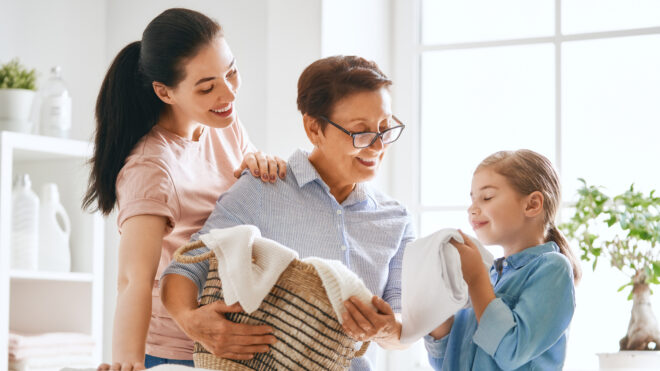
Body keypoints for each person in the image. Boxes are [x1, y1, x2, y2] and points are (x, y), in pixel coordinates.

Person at [160, 55, 415, 371]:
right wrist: (191, 320)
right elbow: (185, 267)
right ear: (314, 128)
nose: (377, 146)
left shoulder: (396, 220)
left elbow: (404, 325)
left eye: (385, 128)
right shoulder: (263, 188)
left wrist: (389, 329)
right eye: (360, 132)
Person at [82, 8, 286, 370]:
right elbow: (133, 280)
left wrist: (261, 164)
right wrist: (127, 364)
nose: (228, 93)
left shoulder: (223, 122)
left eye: (232, 72)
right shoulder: (151, 168)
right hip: (178, 350)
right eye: (207, 87)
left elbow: (244, 186)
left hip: (235, 340)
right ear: (165, 91)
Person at [424, 149, 582, 370]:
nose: (472, 208)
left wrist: (476, 279)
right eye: (472, 199)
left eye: (487, 197)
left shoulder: (552, 268)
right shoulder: (487, 273)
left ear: (532, 204)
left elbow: (512, 352)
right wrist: (438, 311)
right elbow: (444, 362)